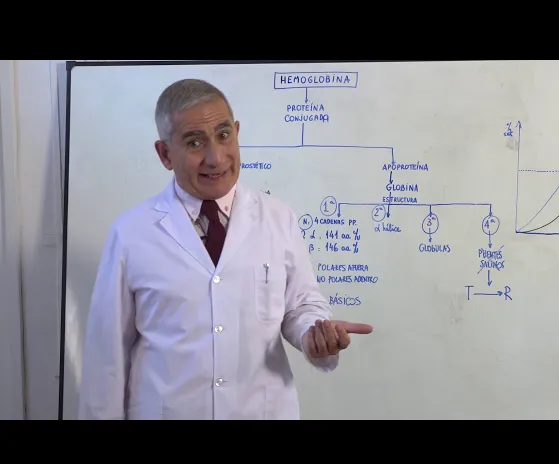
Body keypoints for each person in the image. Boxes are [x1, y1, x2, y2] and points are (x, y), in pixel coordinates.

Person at [78, 78, 373, 420]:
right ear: (165, 154)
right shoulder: (132, 233)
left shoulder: (278, 218)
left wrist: (313, 333)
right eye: (194, 142)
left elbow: (300, 305)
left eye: (223, 135)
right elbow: (107, 358)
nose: (215, 157)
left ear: (236, 132)